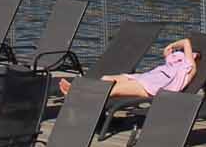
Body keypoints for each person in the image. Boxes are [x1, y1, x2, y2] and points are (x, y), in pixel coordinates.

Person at [59, 37, 198, 100]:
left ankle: (77, 94)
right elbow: (169, 54)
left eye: (185, 55)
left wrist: (174, 44)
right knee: (106, 79)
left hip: (151, 88)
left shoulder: (188, 69)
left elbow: (186, 42)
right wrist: (171, 50)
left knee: (112, 90)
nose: (178, 57)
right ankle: (79, 92)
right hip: (143, 78)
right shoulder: (173, 64)